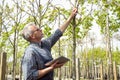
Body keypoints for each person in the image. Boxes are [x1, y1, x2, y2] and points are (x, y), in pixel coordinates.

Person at [21, 8, 77, 80]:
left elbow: (57, 33)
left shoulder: (45, 44)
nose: (41, 30)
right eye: (37, 30)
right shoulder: (30, 52)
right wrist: (51, 68)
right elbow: (29, 76)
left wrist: (70, 17)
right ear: (32, 36)